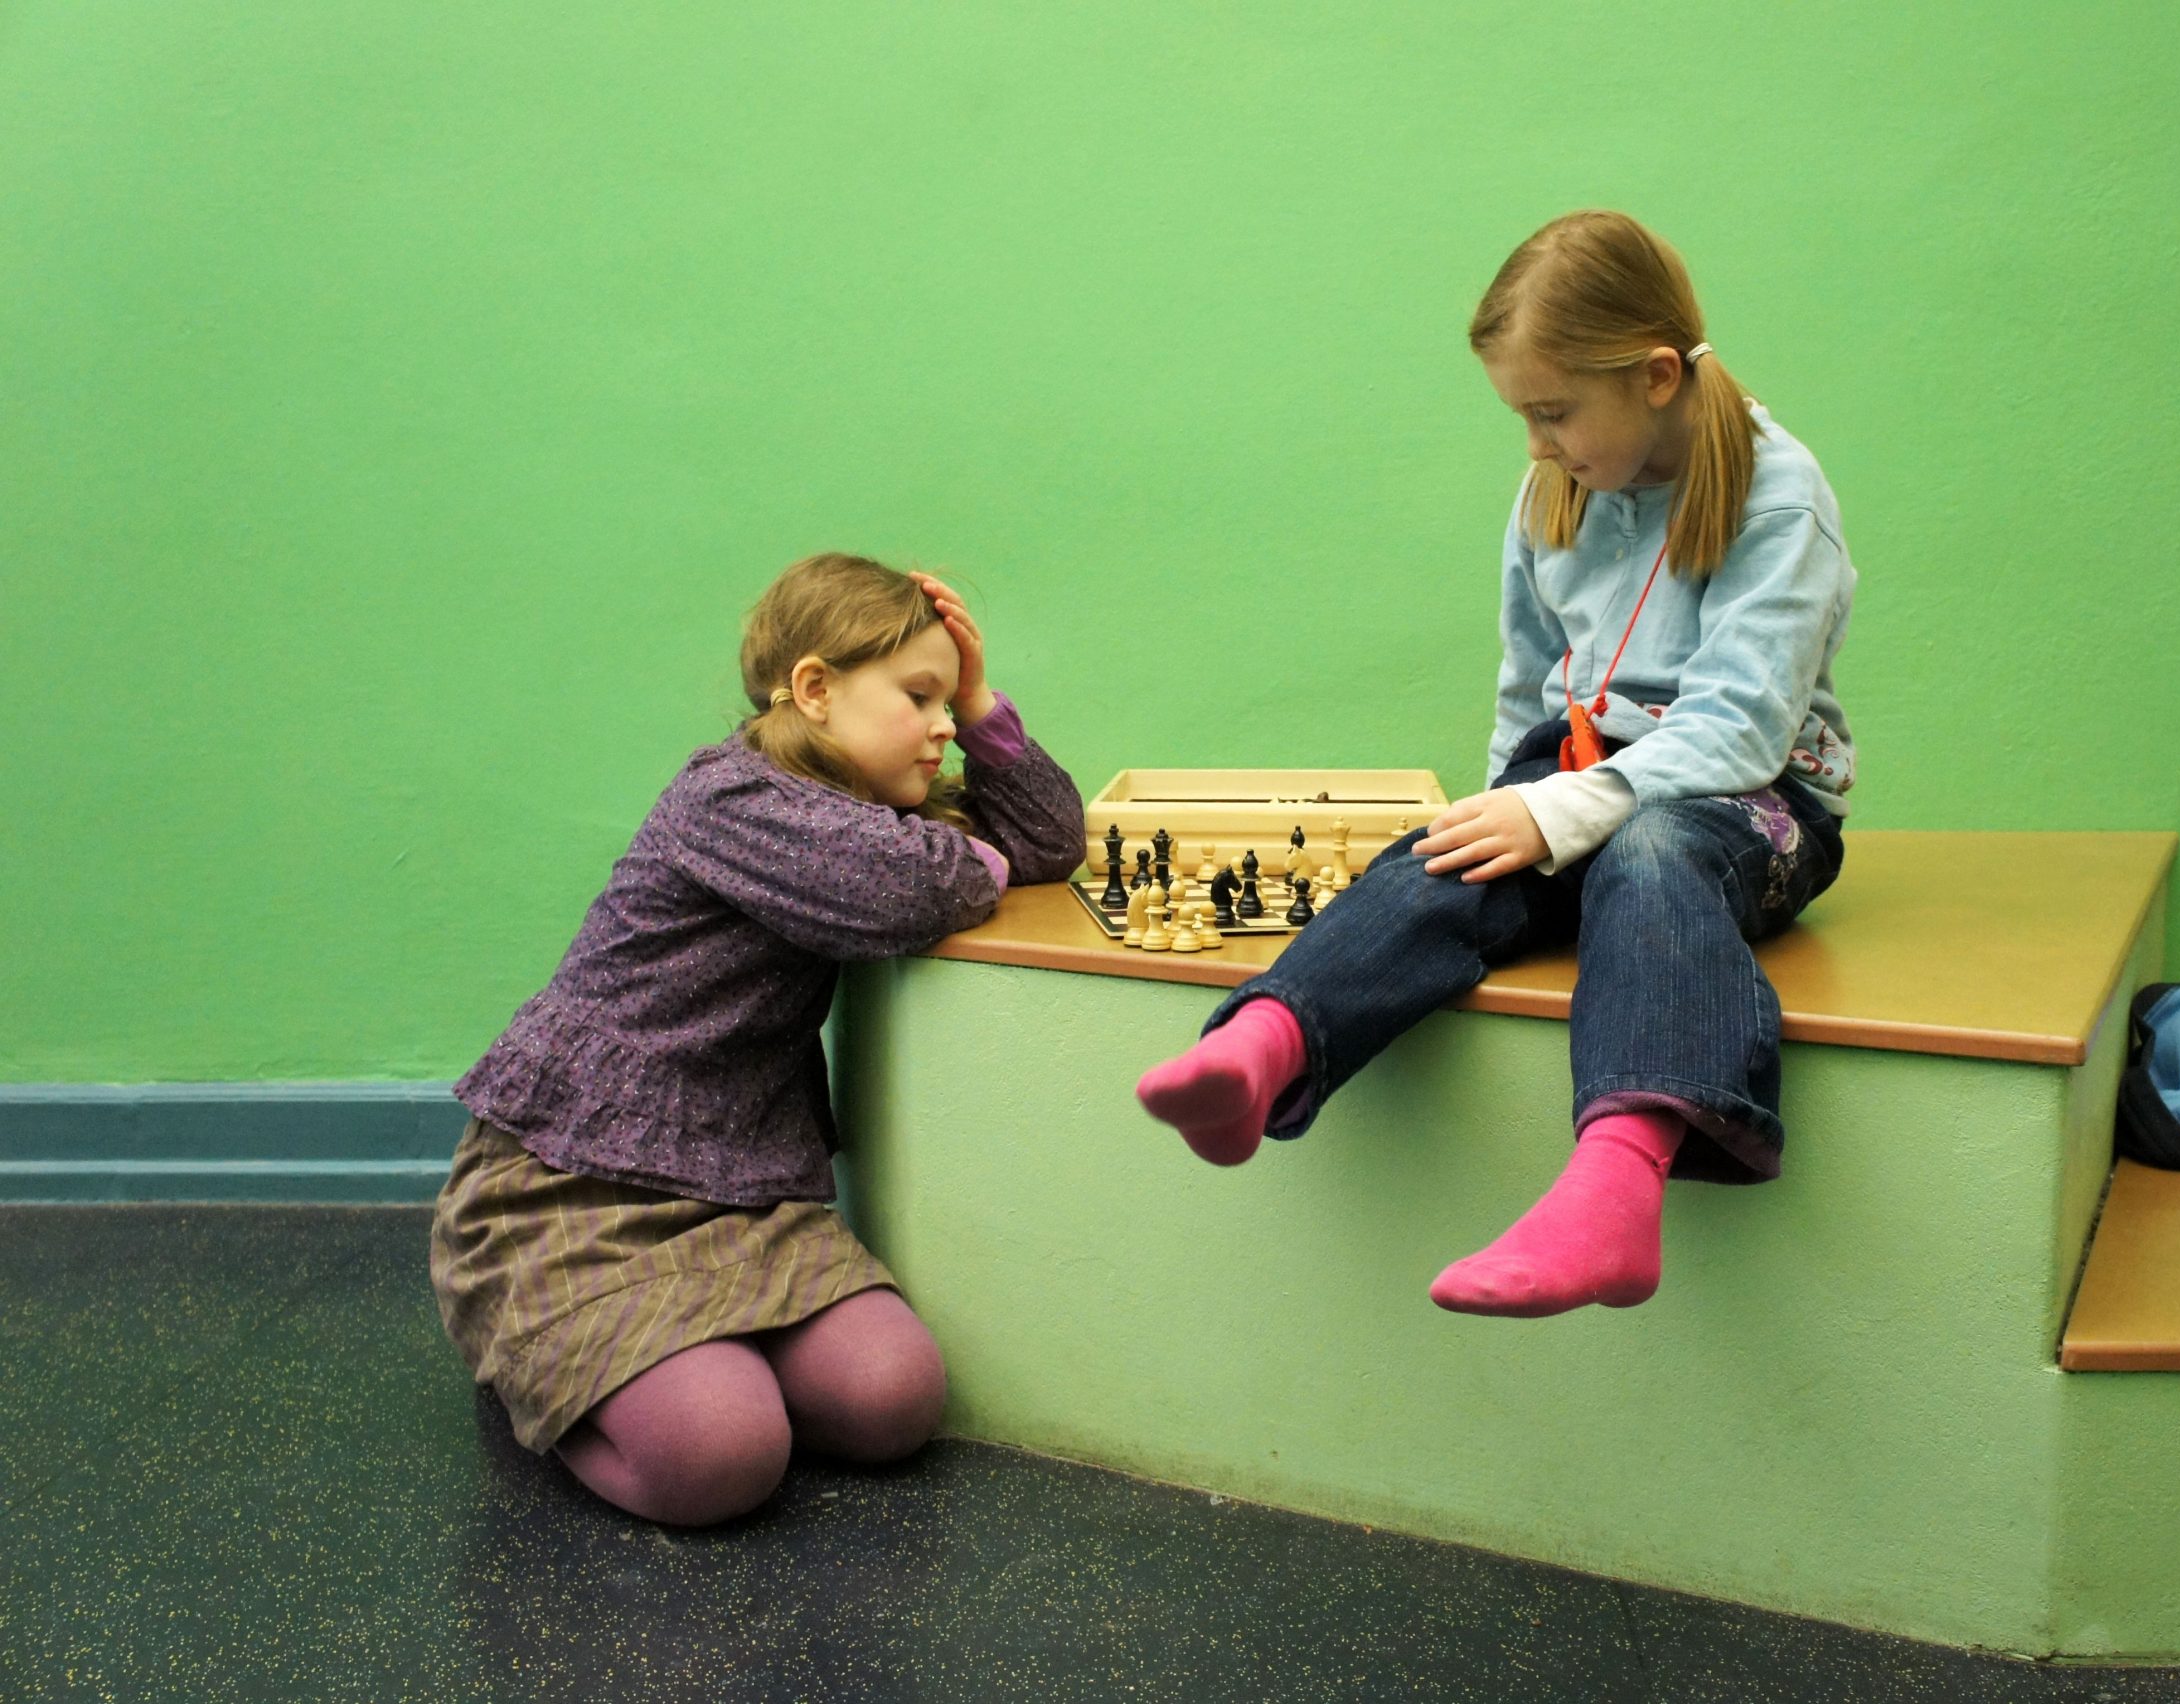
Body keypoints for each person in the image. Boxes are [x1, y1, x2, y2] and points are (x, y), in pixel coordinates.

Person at [1136, 210, 1856, 1319]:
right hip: (1575, 767)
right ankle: (1264, 1047)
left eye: (1554, 413)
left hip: (1746, 800)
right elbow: (1528, 685)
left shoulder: (1777, 494)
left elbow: (1744, 728)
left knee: (1652, 850)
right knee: (1448, 853)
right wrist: (1503, 808)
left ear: (1656, 375)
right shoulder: (1551, 494)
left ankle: (1616, 1189)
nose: (1536, 444)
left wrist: (1571, 810)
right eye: (1524, 415)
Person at [431, 552, 1085, 1523]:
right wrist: (965, 856)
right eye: (921, 697)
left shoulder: (868, 810)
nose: (945, 728)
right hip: (578, 1183)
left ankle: (675, 1360)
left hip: (741, 1190)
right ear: (814, 689)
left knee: (893, 1399)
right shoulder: (730, 795)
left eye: (953, 705)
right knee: (720, 1460)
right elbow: (910, 888)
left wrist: (985, 704)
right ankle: (546, 1365)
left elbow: (1050, 841)